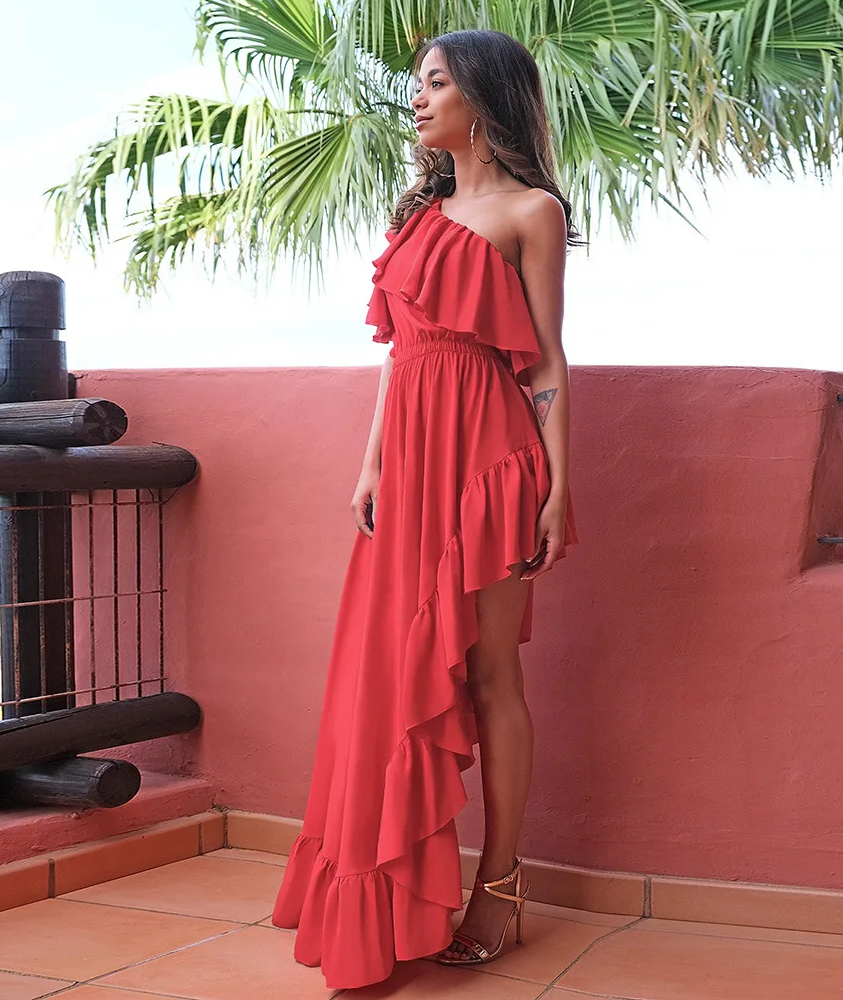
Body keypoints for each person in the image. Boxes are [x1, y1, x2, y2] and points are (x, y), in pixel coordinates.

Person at [270, 27, 580, 990]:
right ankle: (382, 890)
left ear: (480, 97)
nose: (418, 97)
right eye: (420, 83)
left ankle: (500, 885)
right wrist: (371, 465)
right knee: (390, 669)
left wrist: (558, 486)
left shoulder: (532, 212)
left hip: (489, 464)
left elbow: (545, 361)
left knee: (491, 677)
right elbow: (400, 357)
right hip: (408, 471)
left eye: (435, 82)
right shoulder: (418, 217)